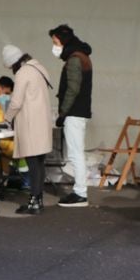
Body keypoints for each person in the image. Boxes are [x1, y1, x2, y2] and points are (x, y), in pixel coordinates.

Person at [2, 44, 54, 215]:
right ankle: (38, 200)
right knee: (39, 163)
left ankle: (34, 202)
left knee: (32, 164)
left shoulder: (23, 73)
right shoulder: (38, 67)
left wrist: (7, 117)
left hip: (31, 124)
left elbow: (16, 102)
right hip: (42, 122)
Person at [49, 23, 93, 207]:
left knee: (75, 153)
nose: (54, 46)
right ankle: (79, 191)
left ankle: (80, 193)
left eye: (55, 42)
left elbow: (73, 89)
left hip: (74, 112)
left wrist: (63, 113)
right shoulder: (81, 56)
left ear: (63, 41)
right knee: (77, 152)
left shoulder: (75, 59)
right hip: (78, 112)